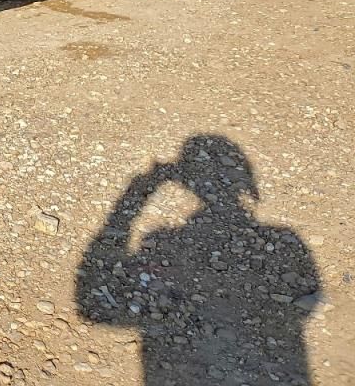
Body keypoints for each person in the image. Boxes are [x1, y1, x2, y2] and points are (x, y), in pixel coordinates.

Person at [77, 135, 320, 386]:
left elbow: (90, 306)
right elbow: (306, 303)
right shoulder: (285, 239)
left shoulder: (160, 239)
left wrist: (134, 197)